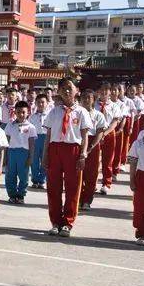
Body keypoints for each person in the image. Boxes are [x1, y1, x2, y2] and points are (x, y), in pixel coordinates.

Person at [42, 78, 91, 238]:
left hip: (73, 150)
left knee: (73, 188)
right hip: (55, 149)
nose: (66, 91)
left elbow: (85, 136)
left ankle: (68, 223)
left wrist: (83, 154)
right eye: (63, 88)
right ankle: (55, 222)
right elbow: (48, 135)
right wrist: (45, 155)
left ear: (77, 90)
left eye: (70, 88)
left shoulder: (82, 112)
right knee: (53, 187)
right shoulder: (54, 111)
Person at [78, 89, 109, 211]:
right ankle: (78, 198)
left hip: (93, 145)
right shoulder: (77, 113)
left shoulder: (98, 115)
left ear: (93, 100)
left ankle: (87, 200)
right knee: (79, 173)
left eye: (89, 98)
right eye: (84, 97)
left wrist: (91, 147)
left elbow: (100, 132)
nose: (86, 100)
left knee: (91, 174)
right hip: (79, 142)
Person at [127, 113, 144, 246]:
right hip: (142, 176)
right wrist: (132, 180)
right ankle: (142, 233)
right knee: (140, 207)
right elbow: (133, 162)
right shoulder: (138, 143)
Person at [4, 101, 37, 204]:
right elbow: (6, 141)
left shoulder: (31, 127)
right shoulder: (10, 125)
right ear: (15, 112)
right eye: (18, 112)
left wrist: (31, 157)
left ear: (28, 113)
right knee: (10, 175)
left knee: (23, 176)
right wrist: (5, 156)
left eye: (23, 112)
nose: (21, 115)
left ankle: (21, 195)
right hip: (12, 152)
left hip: (24, 153)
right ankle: (12, 195)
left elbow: (32, 144)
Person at [95, 83, 121, 195]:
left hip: (109, 134)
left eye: (107, 90)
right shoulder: (93, 104)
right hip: (95, 134)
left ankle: (106, 183)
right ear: (99, 91)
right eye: (102, 89)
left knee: (107, 160)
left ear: (110, 92)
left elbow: (115, 122)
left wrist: (105, 133)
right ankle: (92, 183)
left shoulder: (114, 106)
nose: (104, 92)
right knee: (94, 160)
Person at [29, 93, 50, 189]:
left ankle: (42, 180)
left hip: (46, 138)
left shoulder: (50, 115)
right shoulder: (32, 116)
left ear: (47, 103)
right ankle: (35, 179)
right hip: (35, 138)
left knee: (44, 159)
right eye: (39, 102)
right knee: (34, 160)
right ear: (36, 103)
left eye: (43, 102)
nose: (41, 104)